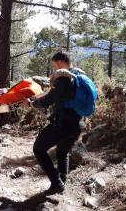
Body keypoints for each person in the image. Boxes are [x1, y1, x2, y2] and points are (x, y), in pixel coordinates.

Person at [23, 52, 82, 195]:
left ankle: (56, 183)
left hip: (63, 124)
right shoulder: (78, 76)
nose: (54, 68)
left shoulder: (63, 79)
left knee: (38, 149)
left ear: (61, 62)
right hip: (77, 125)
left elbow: (50, 99)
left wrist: (32, 104)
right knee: (62, 152)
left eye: (55, 65)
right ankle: (61, 181)